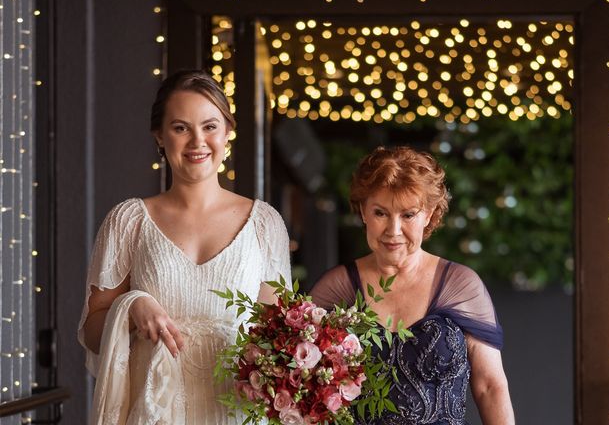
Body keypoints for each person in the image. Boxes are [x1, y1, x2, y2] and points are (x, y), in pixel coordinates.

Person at [78, 70, 291, 424]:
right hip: (155, 413)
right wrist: (131, 307)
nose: (197, 141)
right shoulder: (129, 220)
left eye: (209, 126)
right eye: (180, 128)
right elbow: (91, 333)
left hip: (234, 414)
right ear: (159, 136)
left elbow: (275, 336)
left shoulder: (264, 224)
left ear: (227, 132)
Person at [310, 146, 514, 425]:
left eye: (408, 215)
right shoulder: (336, 288)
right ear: (362, 212)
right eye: (380, 213)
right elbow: (305, 388)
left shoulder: (460, 285)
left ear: (428, 215)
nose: (393, 230)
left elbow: (490, 387)